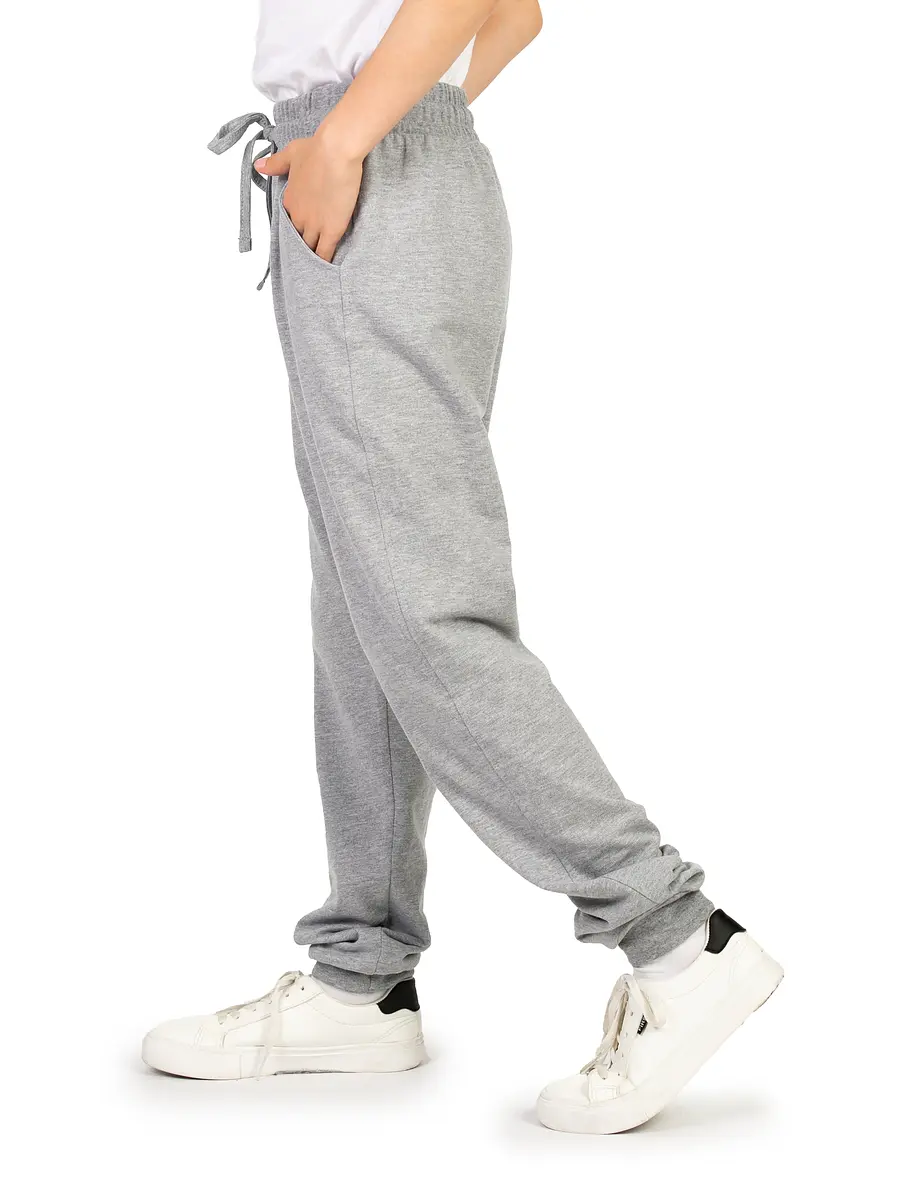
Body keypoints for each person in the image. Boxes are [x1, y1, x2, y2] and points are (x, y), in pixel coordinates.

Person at [141, 0, 782, 1134]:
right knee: (364, 602)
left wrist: (351, 139)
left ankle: (681, 940)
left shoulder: (356, 145)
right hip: (391, 167)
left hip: (369, 173)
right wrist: (384, 126)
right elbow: (517, 18)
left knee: (423, 606)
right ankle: (363, 977)